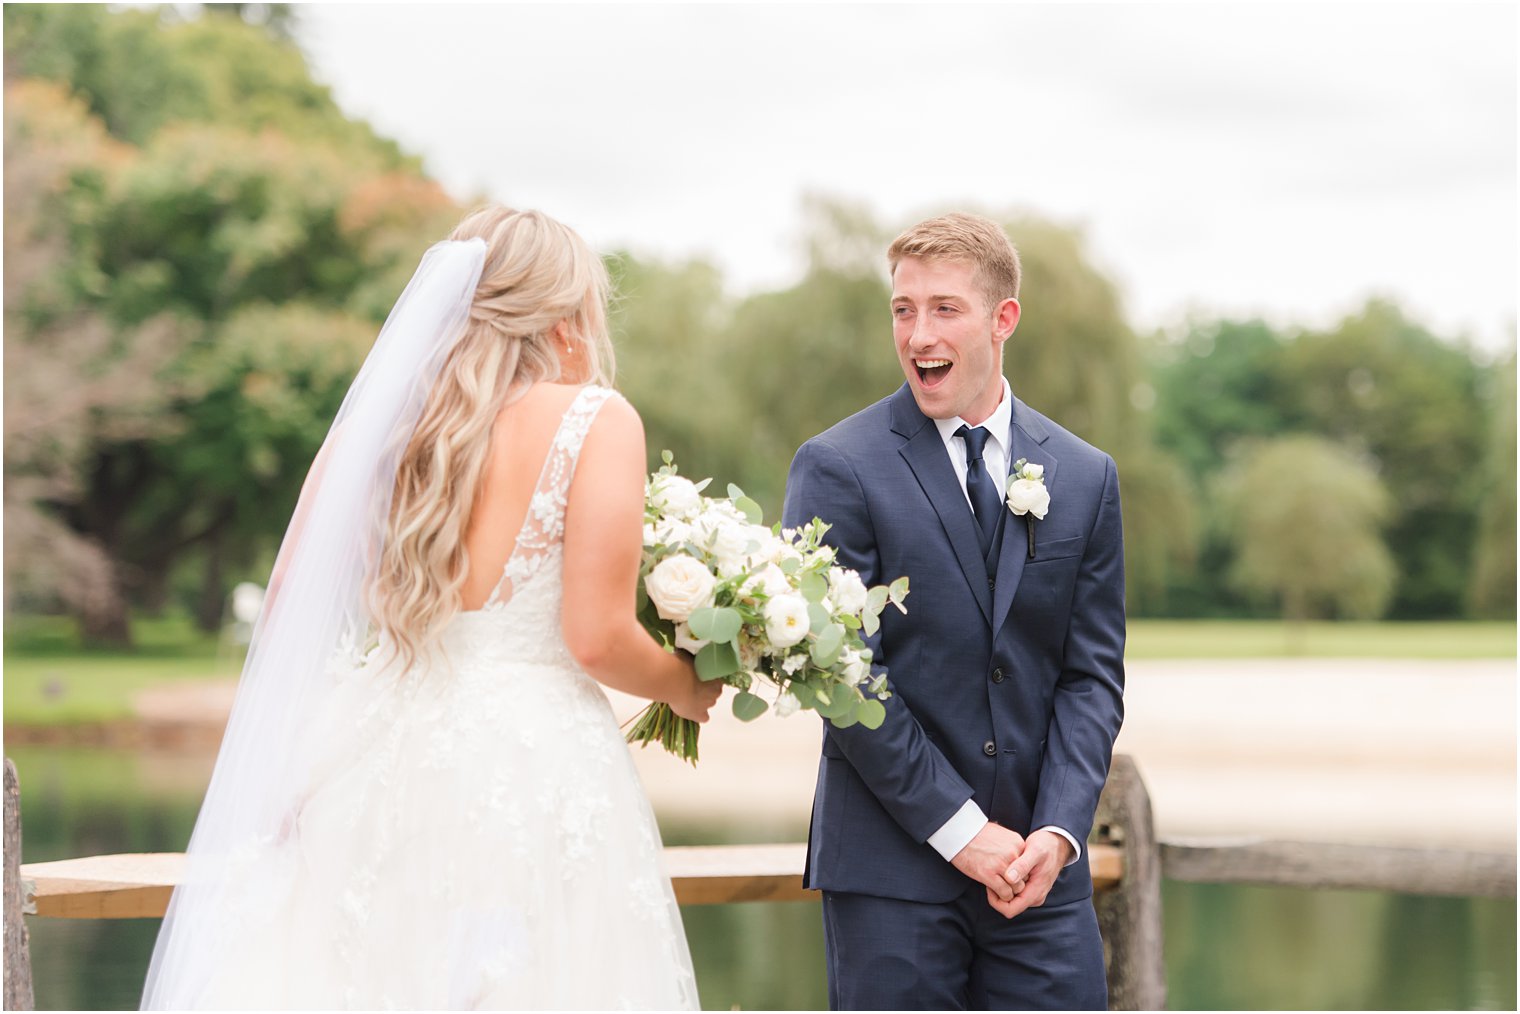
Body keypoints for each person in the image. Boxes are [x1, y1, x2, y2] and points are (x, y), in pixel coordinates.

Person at [141, 206, 719, 1010]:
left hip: (379, 744)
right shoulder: (593, 419)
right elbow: (595, 638)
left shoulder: (381, 431)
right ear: (561, 312)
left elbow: (286, 609)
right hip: (533, 757)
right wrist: (681, 685)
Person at [781, 212, 1125, 1010]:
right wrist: (961, 831)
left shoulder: (1085, 475)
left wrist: (1060, 831)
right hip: (891, 877)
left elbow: (1091, 677)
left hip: (1040, 882)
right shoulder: (836, 467)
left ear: (1003, 319)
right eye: (903, 309)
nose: (917, 333)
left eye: (943, 308)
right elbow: (843, 680)